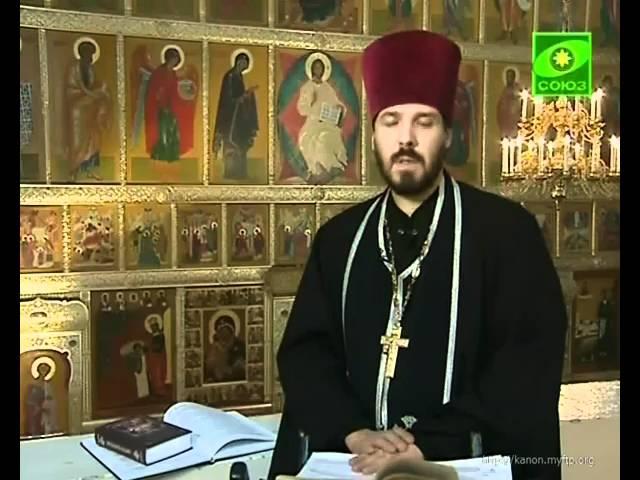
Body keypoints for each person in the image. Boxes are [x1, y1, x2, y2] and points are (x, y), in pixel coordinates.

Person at [270, 30, 566, 480]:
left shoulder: (507, 234)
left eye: (423, 122)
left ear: (446, 134)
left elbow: (524, 368)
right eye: (391, 121)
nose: (405, 138)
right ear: (372, 135)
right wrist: (353, 431)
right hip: (356, 464)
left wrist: (426, 446)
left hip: (459, 464)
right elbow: (306, 354)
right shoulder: (339, 240)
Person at [296, 53, 348, 184]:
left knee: (324, 139)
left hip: (328, 123)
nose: (318, 70)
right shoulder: (307, 87)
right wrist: (311, 101)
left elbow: (336, 103)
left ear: (324, 70)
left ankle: (329, 169)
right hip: (313, 122)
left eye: (320, 67)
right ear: (312, 69)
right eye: (316, 67)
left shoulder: (327, 87)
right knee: (306, 139)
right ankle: (316, 171)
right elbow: (302, 109)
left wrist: (340, 109)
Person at [213, 52, 259, 180]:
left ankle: (240, 174)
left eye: (246, 64)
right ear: (238, 62)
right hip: (229, 119)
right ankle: (230, 173)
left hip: (238, 118)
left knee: (241, 144)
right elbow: (228, 99)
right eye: (243, 63)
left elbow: (239, 97)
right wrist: (244, 96)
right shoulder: (230, 77)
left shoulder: (238, 77)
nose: (244, 66)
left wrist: (248, 95)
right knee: (231, 145)